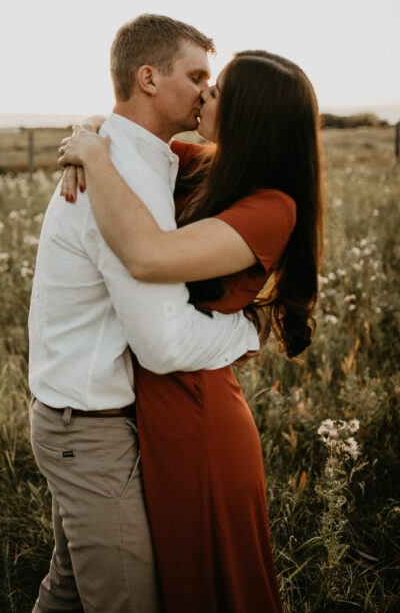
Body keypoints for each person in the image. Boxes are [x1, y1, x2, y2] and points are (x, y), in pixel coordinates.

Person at [58, 49, 324, 613]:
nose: (203, 94)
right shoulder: (203, 165)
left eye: (218, 89)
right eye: (204, 82)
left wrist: (95, 161)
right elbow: (125, 130)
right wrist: (86, 133)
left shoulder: (272, 207)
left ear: (249, 115)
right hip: (154, 404)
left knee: (207, 585)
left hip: (198, 422)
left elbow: (149, 257)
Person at [28, 15, 265, 613]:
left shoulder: (136, 155)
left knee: (68, 590)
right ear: (149, 78)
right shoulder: (124, 172)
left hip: (83, 415)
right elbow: (162, 343)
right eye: (197, 76)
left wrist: (88, 131)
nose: (206, 93)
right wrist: (246, 329)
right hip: (89, 426)